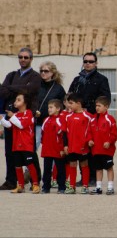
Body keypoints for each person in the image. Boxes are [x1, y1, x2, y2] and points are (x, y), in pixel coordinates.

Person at [0, 47, 42, 190]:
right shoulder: (11, 74)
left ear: (31, 59)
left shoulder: (35, 76)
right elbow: (2, 91)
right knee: (10, 151)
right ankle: (12, 180)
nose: (23, 60)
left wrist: (11, 88)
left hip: (26, 118)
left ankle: (36, 180)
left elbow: (30, 90)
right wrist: (20, 88)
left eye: (26, 57)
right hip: (11, 117)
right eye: (20, 57)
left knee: (29, 151)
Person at [68, 52, 111, 186]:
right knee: (81, 147)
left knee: (92, 147)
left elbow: (105, 98)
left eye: (91, 61)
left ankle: (93, 177)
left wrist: (90, 109)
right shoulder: (77, 80)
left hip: (93, 117)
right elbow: (70, 96)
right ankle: (84, 177)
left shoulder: (102, 79)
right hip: (78, 118)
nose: (88, 63)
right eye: (85, 61)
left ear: (96, 63)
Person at [0, 93, 40, 194]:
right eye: (15, 100)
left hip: (27, 144)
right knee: (17, 166)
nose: (15, 102)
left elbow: (21, 125)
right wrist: (2, 119)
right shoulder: (16, 114)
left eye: (18, 100)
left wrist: (12, 116)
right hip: (16, 144)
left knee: (30, 165)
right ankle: (20, 186)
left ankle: (35, 184)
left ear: (25, 102)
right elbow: (9, 125)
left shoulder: (29, 113)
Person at [36, 61, 66, 189]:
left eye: (46, 71)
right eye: (41, 71)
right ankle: (32, 175)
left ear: (52, 73)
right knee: (32, 149)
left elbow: (64, 105)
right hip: (36, 122)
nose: (43, 73)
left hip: (53, 124)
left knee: (54, 152)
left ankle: (56, 181)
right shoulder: (36, 85)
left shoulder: (58, 88)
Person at [63, 93, 92, 194]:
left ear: (79, 103)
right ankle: (72, 186)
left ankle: (85, 186)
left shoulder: (88, 116)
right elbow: (65, 132)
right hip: (71, 146)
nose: (69, 105)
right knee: (72, 164)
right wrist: (65, 145)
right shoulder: (68, 117)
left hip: (83, 146)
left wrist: (89, 142)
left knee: (84, 164)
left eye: (71, 103)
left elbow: (91, 131)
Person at [88, 96, 117, 195]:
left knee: (109, 168)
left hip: (107, 150)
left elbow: (114, 134)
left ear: (106, 107)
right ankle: (98, 187)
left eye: (99, 106)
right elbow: (89, 132)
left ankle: (110, 187)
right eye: (96, 106)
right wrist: (90, 140)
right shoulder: (92, 119)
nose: (97, 108)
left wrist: (109, 142)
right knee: (98, 169)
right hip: (96, 150)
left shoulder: (110, 119)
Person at [40, 99, 66, 194]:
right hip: (47, 150)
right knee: (47, 169)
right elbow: (42, 134)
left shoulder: (60, 120)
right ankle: (46, 187)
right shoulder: (46, 120)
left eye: (51, 107)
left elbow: (63, 135)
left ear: (58, 108)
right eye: (48, 107)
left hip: (57, 150)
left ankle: (61, 186)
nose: (49, 109)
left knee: (60, 169)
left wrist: (62, 148)